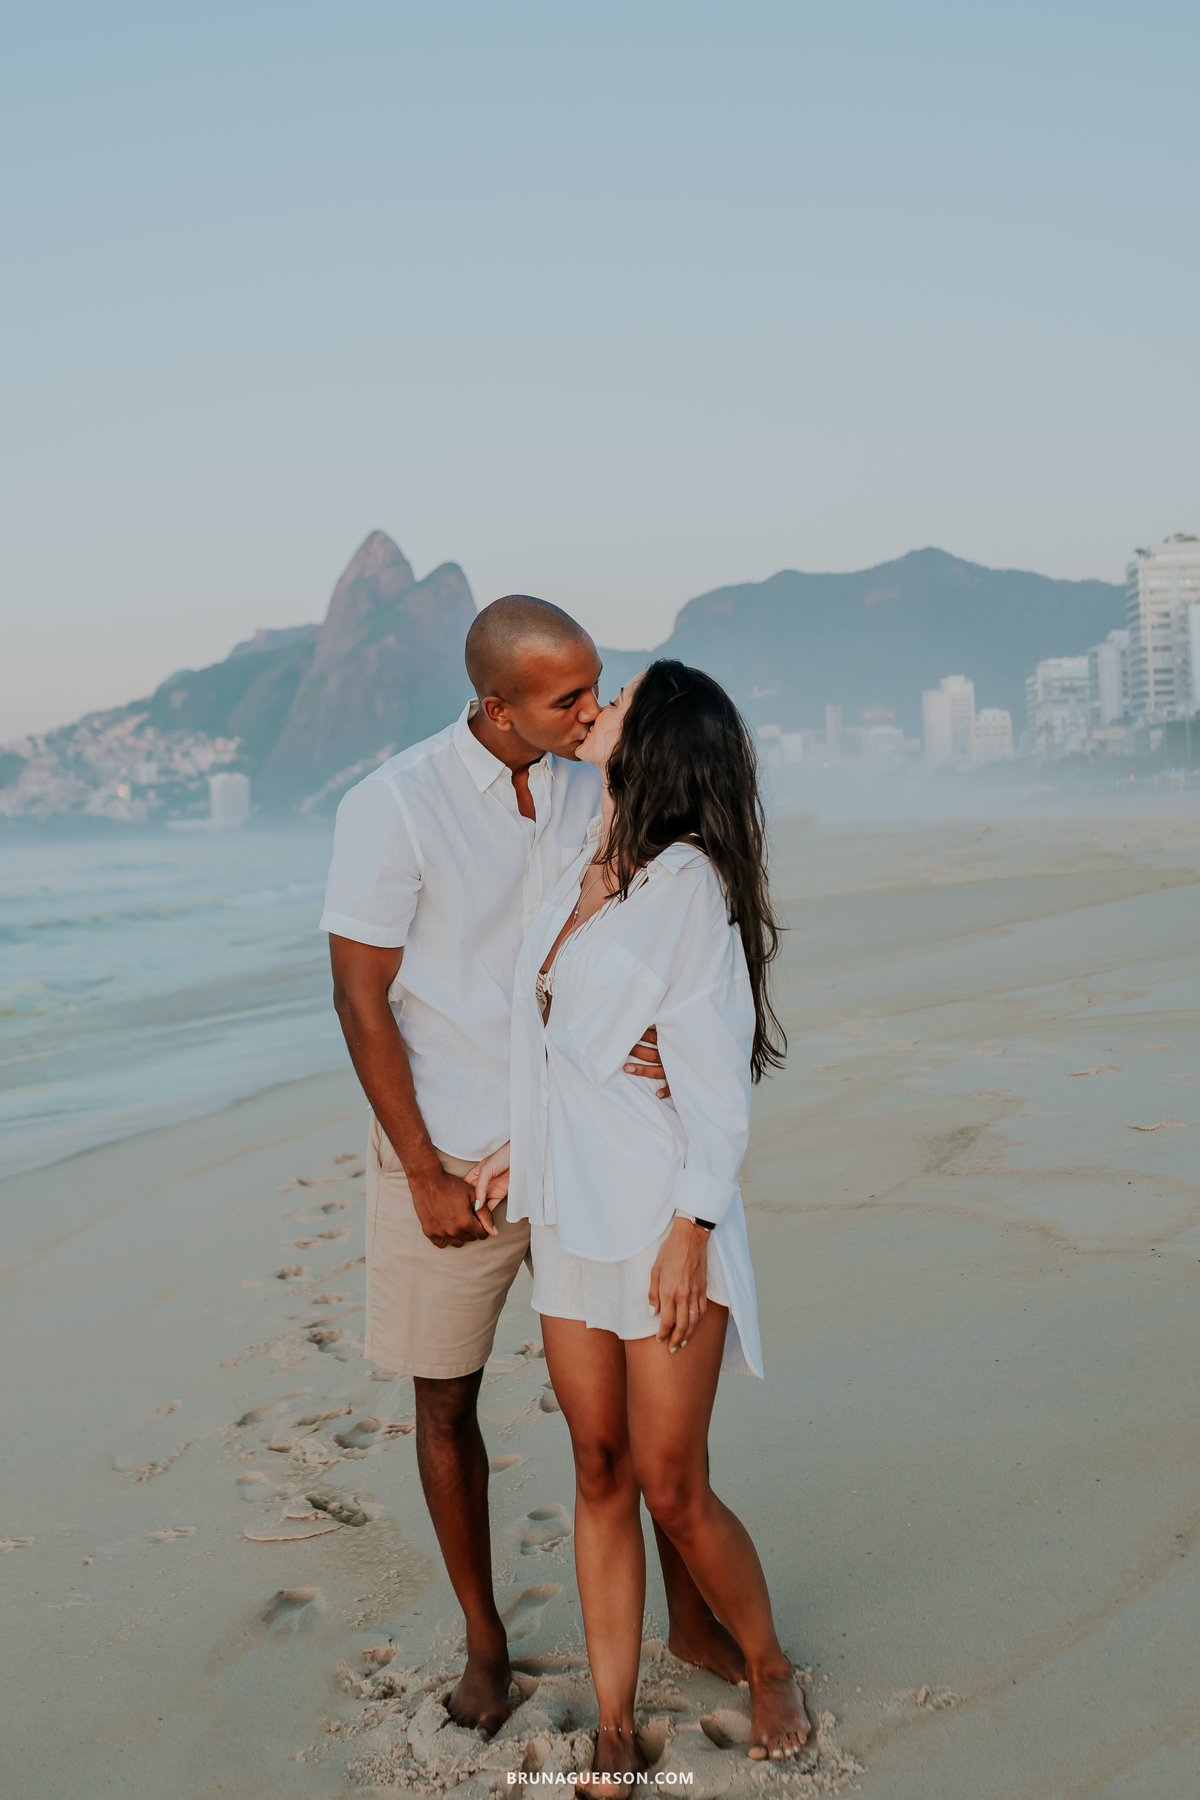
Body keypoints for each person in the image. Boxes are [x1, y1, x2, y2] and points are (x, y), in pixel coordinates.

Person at [320, 603, 747, 1741]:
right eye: (568, 698)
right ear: (495, 706)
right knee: (445, 1395)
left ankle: (697, 1624)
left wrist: (643, 1048)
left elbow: (672, 919)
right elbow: (361, 997)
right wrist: (421, 1169)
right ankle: (484, 1643)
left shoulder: (595, 776)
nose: (592, 710)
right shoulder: (393, 805)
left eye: (598, 689)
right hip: (456, 1147)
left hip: (584, 1144)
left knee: (625, 1432)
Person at [467, 661, 810, 1786]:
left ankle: (764, 1663)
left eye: (620, 701)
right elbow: (553, 1035)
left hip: (665, 1216)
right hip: (573, 1215)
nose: (599, 709)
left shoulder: (688, 890)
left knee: (672, 1482)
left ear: (654, 739)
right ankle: (615, 1721)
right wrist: (524, 1142)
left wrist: (695, 1229)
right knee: (598, 1465)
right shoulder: (581, 859)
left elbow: (712, 1084)